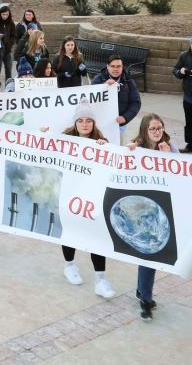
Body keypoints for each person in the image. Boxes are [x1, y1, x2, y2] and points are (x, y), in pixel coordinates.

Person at [59, 100, 115, 298]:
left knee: (95, 235)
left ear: (93, 123)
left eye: (88, 121)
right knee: (70, 231)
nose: (84, 124)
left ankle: (100, 280)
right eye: (80, 120)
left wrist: (104, 149)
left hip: (92, 198)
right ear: (75, 123)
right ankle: (69, 265)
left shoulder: (102, 141)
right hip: (69, 195)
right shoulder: (65, 139)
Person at [125, 114, 174, 321]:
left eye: (160, 128)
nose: (157, 132)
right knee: (149, 252)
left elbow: (185, 173)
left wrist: (170, 157)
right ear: (145, 130)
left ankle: (141, 290)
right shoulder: (136, 148)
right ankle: (145, 299)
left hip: (160, 207)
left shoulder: (169, 146)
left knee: (150, 253)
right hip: (141, 209)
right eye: (153, 129)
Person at [90, 55, 142, 132]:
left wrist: (125, 117)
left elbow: (136, 102)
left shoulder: (129, 81)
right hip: (100, 124)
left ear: (122, 67)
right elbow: (90, 99)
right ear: (107, 66)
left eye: (118, 66)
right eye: (113, 66)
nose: (115, 69)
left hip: (119, 125)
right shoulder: (98, 79)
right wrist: (103, 86)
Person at [0, 5, 17, 85]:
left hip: (7, 47)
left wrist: (10, 43)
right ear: (0, 14)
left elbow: (13, 35)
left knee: (8, 66)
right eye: (3, 14)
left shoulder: (11, 23)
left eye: (7, 14)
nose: (5, 16)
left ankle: (8, 81)